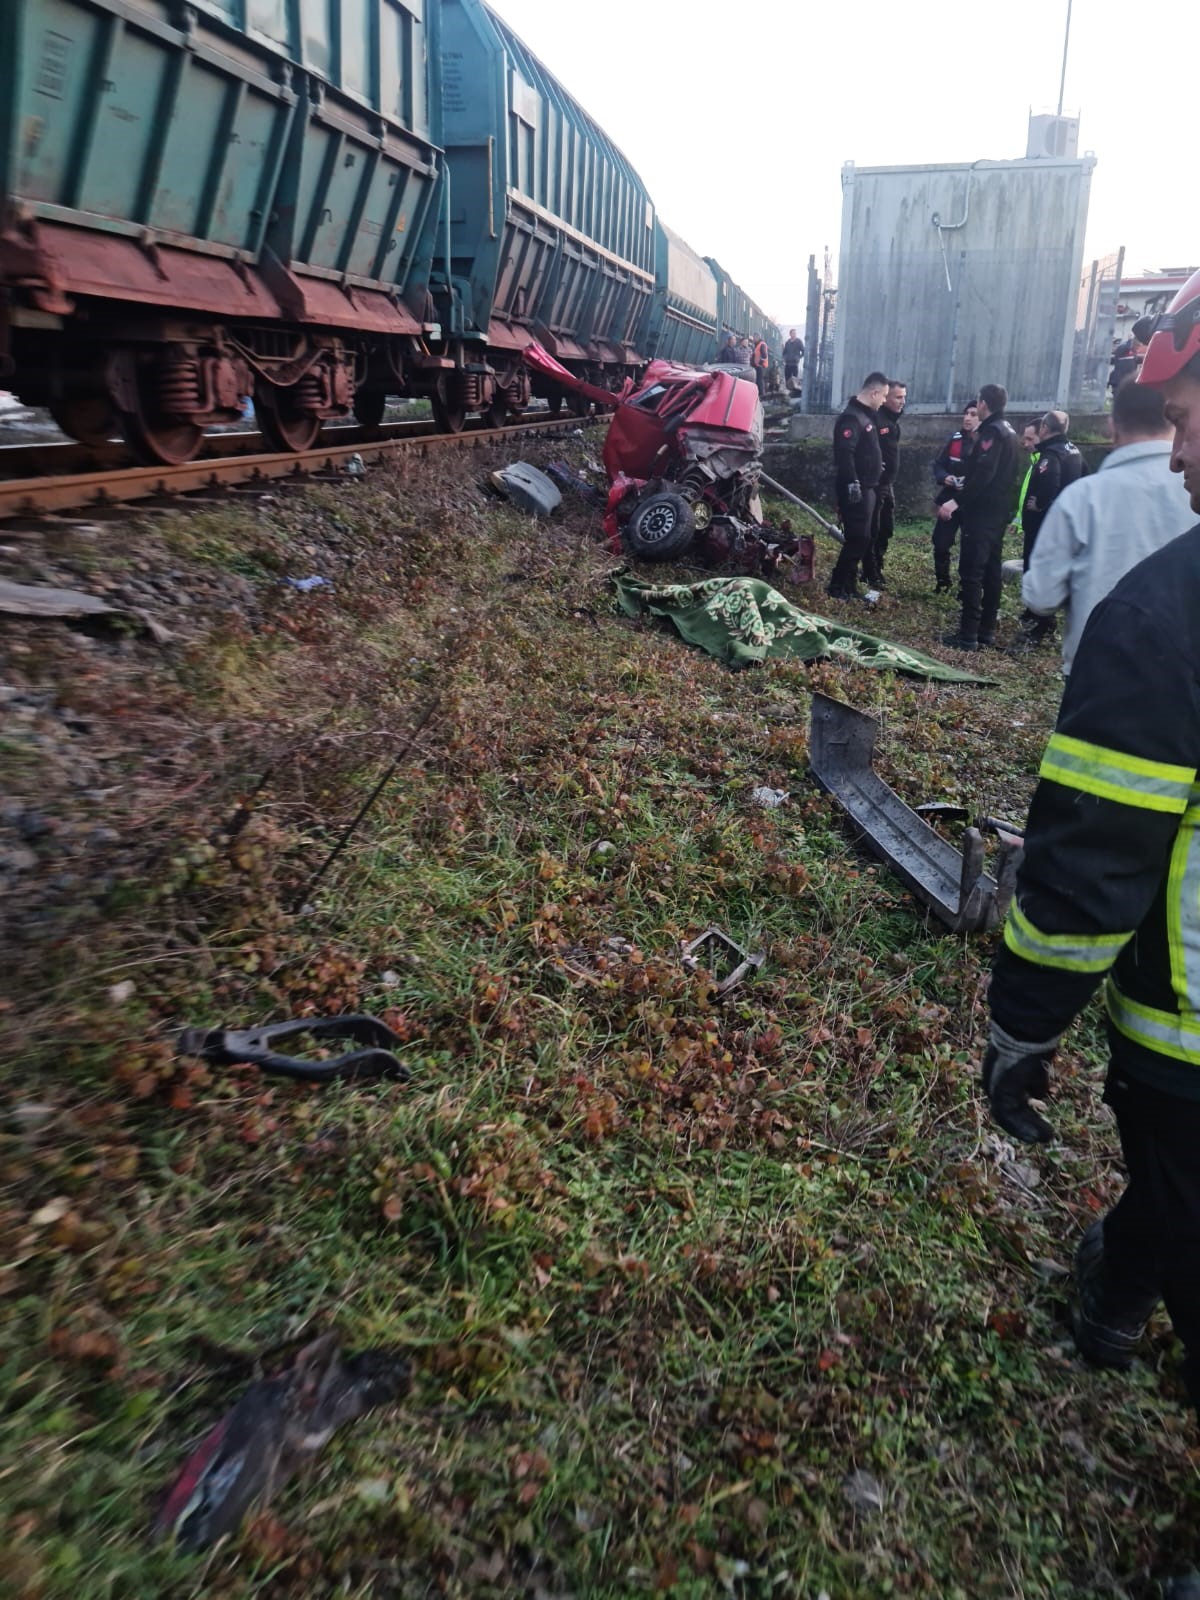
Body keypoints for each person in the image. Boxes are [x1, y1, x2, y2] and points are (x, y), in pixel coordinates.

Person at [980, 266, 1200, 1600]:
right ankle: (1118, 1291)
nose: (1183, 442)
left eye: (1199, 410)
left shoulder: (1172, 617)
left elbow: (1096, 864)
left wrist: (1020, 1025)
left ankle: (1131, 1292)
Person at [1022, 377, 1194, 673]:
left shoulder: (1083, 499)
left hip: (1097, 674)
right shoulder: (1192, 491)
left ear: (1112, 427)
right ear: (1174, 419)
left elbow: (1041, 595)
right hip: (1186, 678)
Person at [942, 383, 1019, 650]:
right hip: (997, 512)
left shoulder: (992, 433)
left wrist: (957, 500)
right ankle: (986, 630)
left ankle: (968, 635)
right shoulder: (1009, 431)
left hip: (982, 512)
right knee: (991, 570)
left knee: (972, 571)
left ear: (983, 404)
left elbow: (984, 474)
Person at [1017, 410, 1084, 645]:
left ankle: (1044, 624)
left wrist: (1042, 504)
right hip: (1065, 523)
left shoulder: (1050, 455)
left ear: (1044, 429)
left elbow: (1050, 482)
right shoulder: (1074, 450)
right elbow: (1084, 477)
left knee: (1040, 567)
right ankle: (1036, 615)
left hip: (1045, 525)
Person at [826, 372, 888, 600]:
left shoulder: (865, 416)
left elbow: (862, 451)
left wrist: (873, 464)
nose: (884, 401)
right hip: (856, 491)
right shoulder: (851, 418)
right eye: (883, 396)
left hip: (868, 487)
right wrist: (853, 482)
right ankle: (836, 586)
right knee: (858, 538)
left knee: (864, 537)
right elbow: (845, 454)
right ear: (874, 392)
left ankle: (849, 587)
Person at [930, 401, 979, 592]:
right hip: (949, 498)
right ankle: (943, 582)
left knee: (970, 547)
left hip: (972, 502)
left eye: (973, 414)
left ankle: (966, 588)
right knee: (941, 543)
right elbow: (939, 464)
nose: (967, 418)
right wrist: (945, 477)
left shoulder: (987, 443)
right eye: (966, 413)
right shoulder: (955, 439)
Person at [867, 379, 907, 584]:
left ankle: (877, 564)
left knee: (886, 527)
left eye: (904, 397)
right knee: (874, 527)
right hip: (875, 484)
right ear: (886, 398)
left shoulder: (893, 422)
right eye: (898, 397)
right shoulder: (876, 420)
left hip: (887, 484)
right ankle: (870, 571)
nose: (902, 402)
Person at [782, 329, 805, 394]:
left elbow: (803, 351)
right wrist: (785, 358)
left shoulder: (799, 342)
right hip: (788, 363)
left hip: (795, 364)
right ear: (790, 334)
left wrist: (798, 357)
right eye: (792, 333)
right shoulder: (787, 342)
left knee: (795, 379)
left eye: (795, 333)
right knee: (787, 378)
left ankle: (795, 392)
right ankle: (787, 393)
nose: (794, 334)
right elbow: (784, 352)